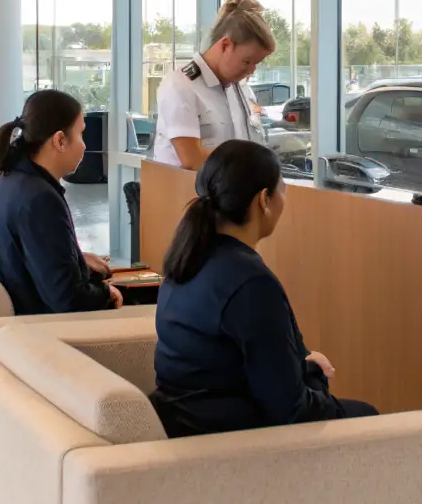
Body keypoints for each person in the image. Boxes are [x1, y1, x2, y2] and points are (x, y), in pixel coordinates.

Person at [152, 139, 378, 437]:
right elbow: (291, 410)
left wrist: (303, 365)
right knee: (370, 419)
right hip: (229, 436)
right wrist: (314, 375)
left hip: (187, 419)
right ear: (264, 200)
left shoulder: (190, 256)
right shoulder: (250, 283)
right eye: (282, 188)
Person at [0, 90, 123, 314]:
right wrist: (105, 293)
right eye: (81, 134)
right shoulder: (40, 199)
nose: (84, 145)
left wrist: (77, 261)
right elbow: (69, 301)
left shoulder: (11, 181)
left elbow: (29, 258)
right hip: (36, 330)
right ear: (60, 140)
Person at [152, 0, 275, 170]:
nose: (250, 71)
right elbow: (192, 159)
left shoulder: (241, 91)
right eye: (246, 61)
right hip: (185, 195)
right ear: (225, 45)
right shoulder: (180, 86)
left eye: (257, 64)